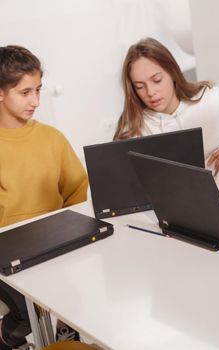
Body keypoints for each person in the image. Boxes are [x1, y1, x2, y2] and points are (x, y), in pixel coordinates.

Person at [0, 45, 88, 349]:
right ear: (0, 92)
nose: (35, 101)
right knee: (28, 313)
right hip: (7, 251)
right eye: (25, 93)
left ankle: (63, 339)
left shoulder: (51, 137)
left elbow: (77, 188)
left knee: (75, 303)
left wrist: (71, 230)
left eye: (38, 90)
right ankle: (6, 336)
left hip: (54, 242)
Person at [113, 37, 219, 189]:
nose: (150, 92)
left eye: (157, 80)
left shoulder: (213, 100)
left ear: (172, 73)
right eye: (140, 86)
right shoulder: (135, 129)